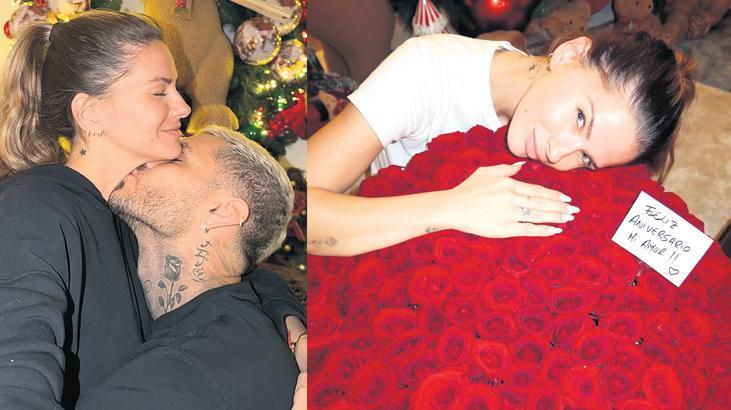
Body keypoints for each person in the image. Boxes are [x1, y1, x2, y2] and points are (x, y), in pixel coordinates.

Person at [0, 11, 302, 408]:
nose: (183, 107)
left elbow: (238, 272)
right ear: (91, 113)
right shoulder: (36, 205)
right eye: (159, 92)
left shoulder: (127, 220)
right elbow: (15, 375)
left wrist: (294, 330)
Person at [308, 31, 695, 256]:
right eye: (580, 118)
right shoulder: (426, 70)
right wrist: (451, 207)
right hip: (381, 245)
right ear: (569, 53)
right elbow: (301, 210)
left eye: (586, 159)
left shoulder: (550, 131)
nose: (557, 152)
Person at [75, 127, 304, 409]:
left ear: (222, 212)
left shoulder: (198, 371)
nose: (150, 154)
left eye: (177, 156)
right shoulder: (245, 308)